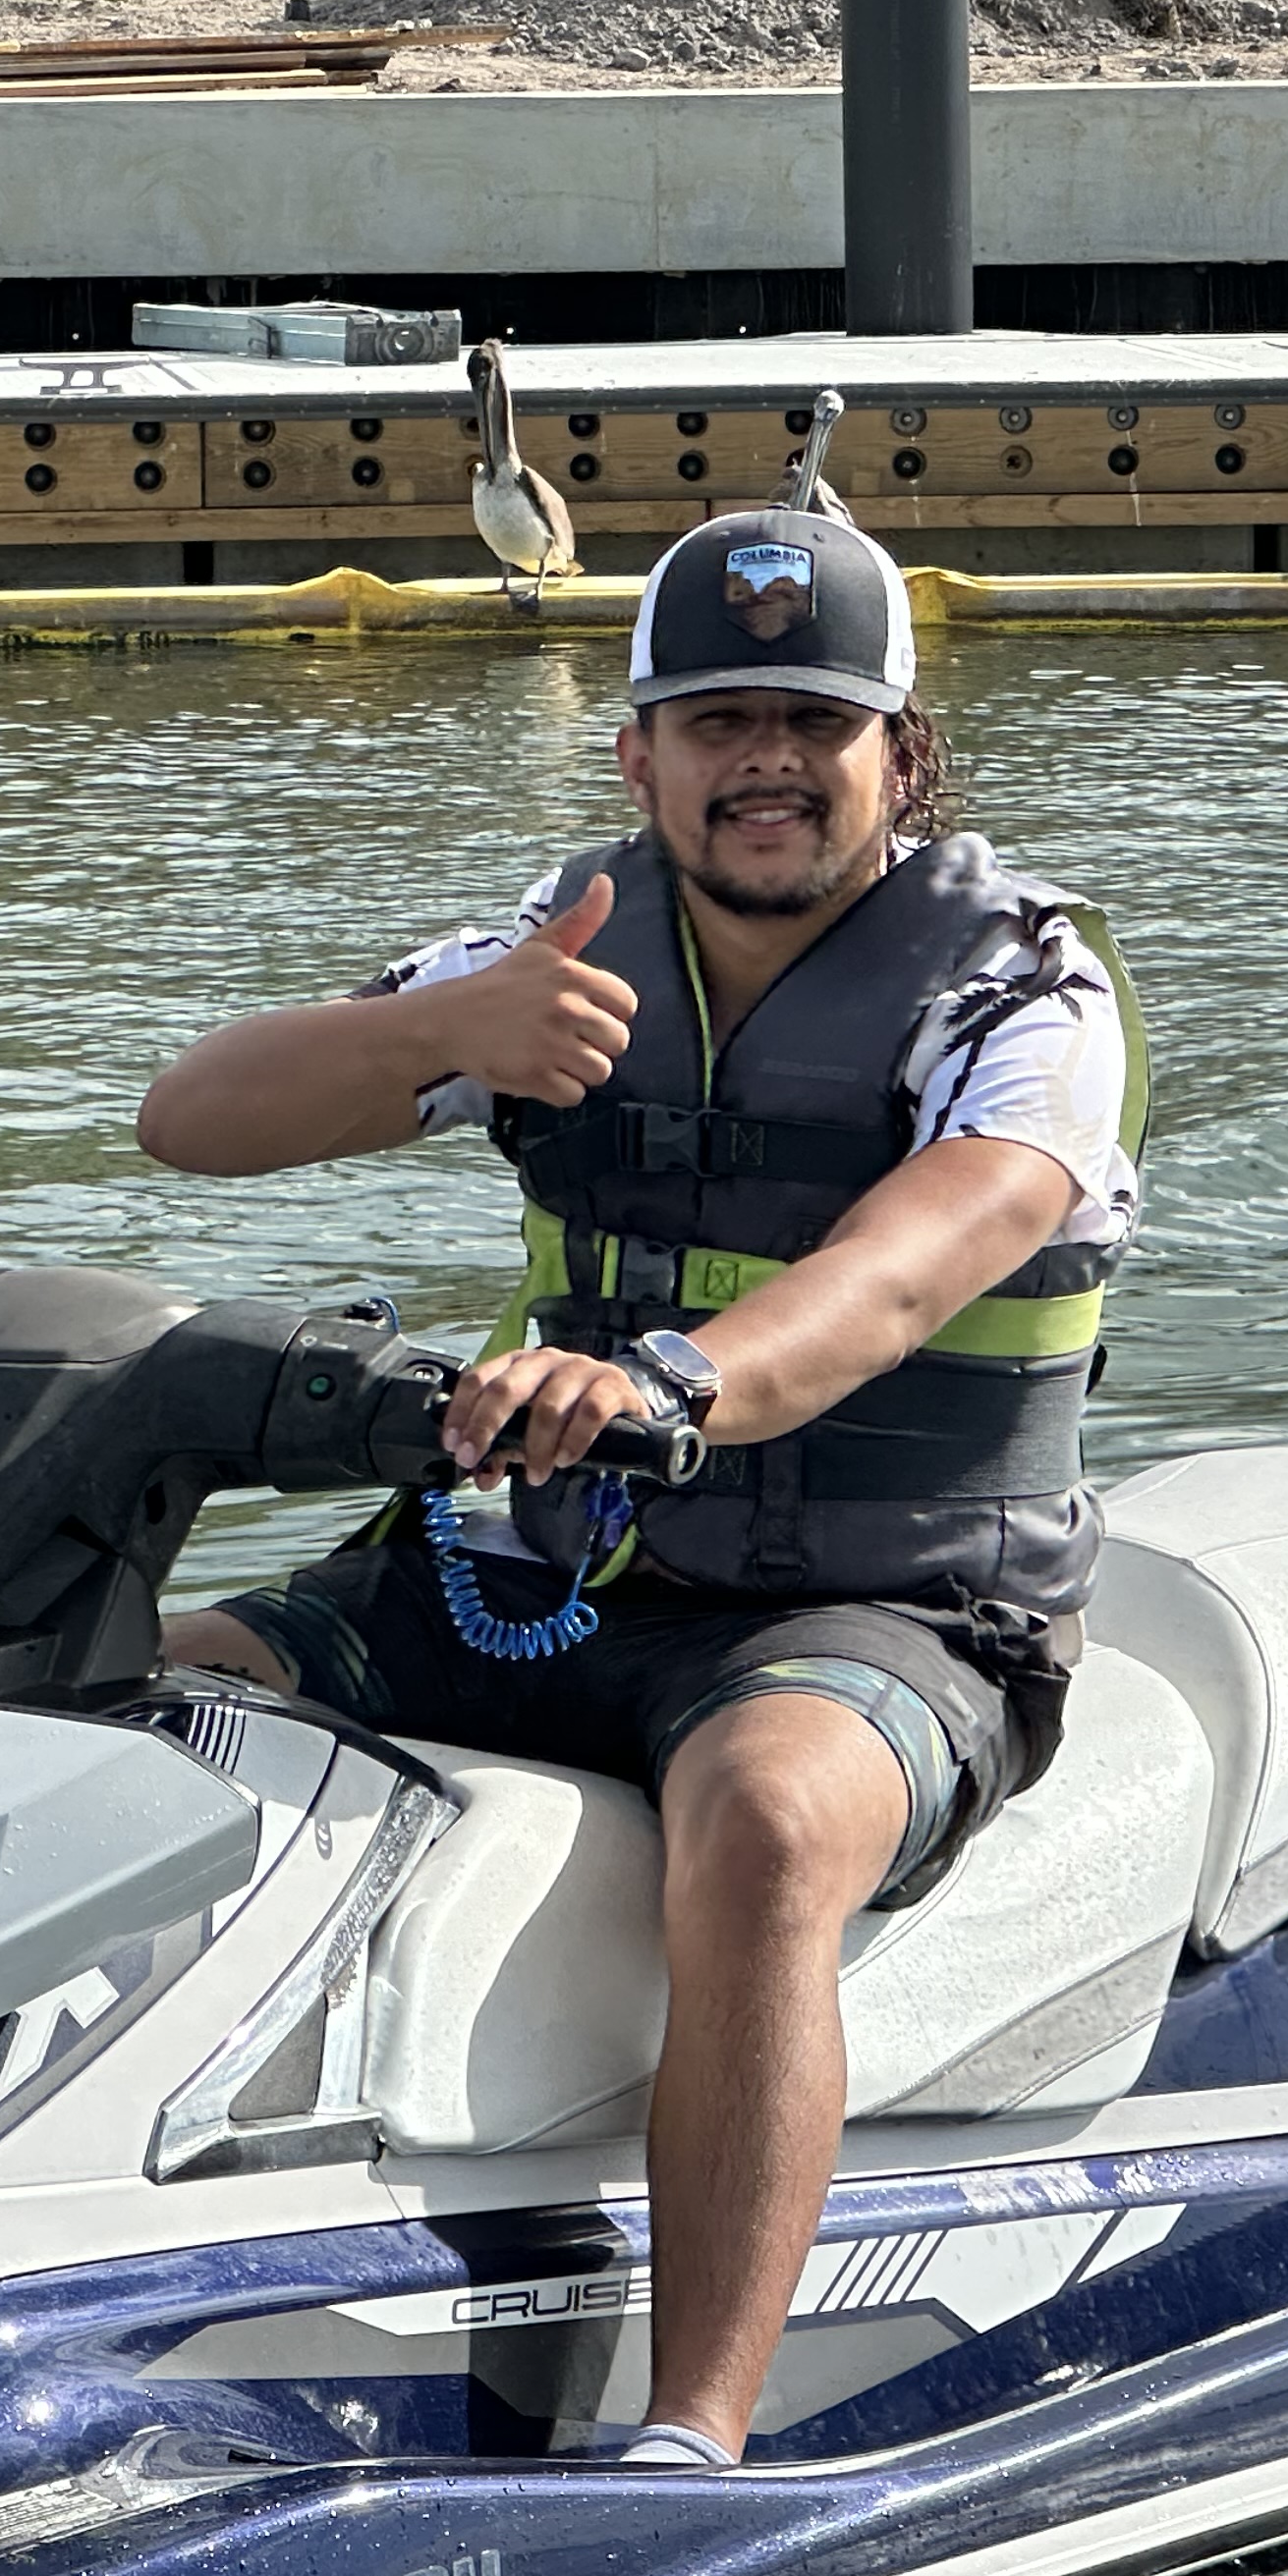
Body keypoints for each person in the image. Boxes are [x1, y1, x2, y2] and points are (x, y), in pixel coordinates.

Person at [139, 507, 1144, 2467]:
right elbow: (190, 1123)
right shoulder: (566, 948)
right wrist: (442, 1031)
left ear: (903, 761)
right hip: (548, 1568)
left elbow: (923, 1257)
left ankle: (694, 2440)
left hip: (889, 1602)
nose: (764, 757)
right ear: (642, 757)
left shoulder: (1026, 987)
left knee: (765, 1827)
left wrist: (673, 1378)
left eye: (814, 719)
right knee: (115, 1696)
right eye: (717, 720)